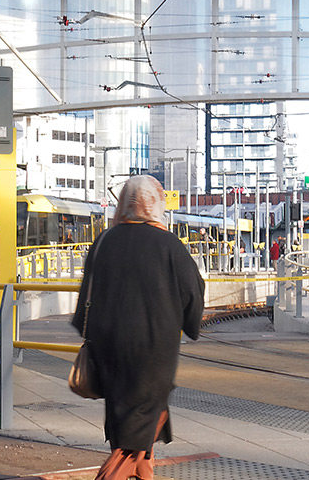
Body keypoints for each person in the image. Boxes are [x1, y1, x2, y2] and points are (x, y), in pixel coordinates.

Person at [71, 175, 205, 480]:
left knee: (126, 418)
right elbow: (193, 295)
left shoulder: (103, 242)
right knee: (141, 426)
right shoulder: (170, 245)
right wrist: (190, 324)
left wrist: (93, 336)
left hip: (106, 350)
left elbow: (85, 299)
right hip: (153, 353)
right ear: (156, 205)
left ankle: (145, 474)